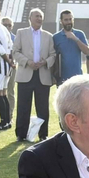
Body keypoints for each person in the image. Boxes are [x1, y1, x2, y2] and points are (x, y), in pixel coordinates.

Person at [12, 8, 57, 142]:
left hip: (42, 75)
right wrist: (27, 62)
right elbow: (15, 51)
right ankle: (21, 134)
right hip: (26, 74)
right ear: (30, 18)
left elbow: (53, 55)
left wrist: (45, 62)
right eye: (36, 16)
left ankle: (43, 134)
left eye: (41, 17)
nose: (39, 19)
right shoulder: (21, 32)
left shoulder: (48, 36)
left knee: (43, 107)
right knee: (23, 106)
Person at [53, 10, 89, 85]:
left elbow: (87, 52)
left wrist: (75, 39)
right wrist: (53, 76)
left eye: (70, 19)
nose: (69, 22)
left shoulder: (80, 34)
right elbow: (53, 57)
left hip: (77, 78)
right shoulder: (56, 37)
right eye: (66, 20)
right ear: (61, 21)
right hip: (62, 79)